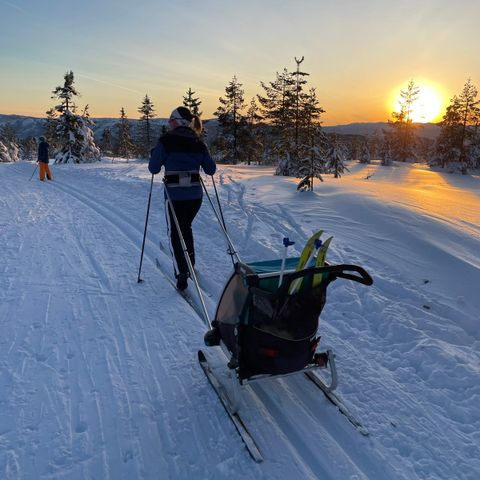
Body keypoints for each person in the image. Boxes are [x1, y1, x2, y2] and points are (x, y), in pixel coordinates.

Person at [149, 106, 216, 290]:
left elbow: (153, 168)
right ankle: (190, 264)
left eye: (170, 119)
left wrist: (156, 153)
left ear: (177, 121)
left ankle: (182, 273)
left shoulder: (166, 141)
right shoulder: (199, 142)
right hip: (195, 196)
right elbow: (210, 169)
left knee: (175, 232)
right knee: (186, 227)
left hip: (174, 195)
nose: (169, 123)